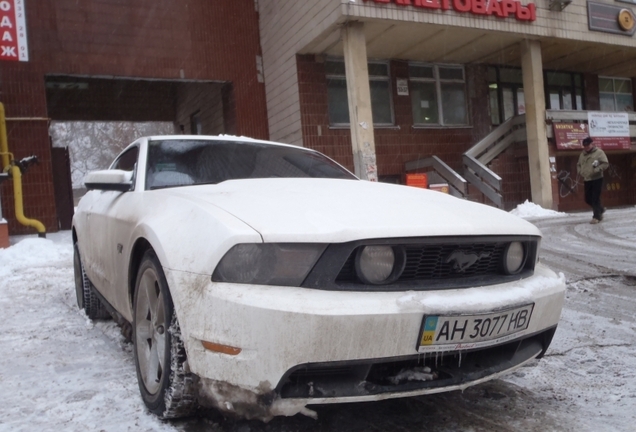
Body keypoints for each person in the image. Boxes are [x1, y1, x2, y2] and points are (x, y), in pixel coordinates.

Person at [576, 137, 609, 224]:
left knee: (595, 198)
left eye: (588, 145)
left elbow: (605, 163)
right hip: (587, 179)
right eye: (585, 146)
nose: (586, 147)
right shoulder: (582, 154)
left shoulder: (599, 152)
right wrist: (580, 171)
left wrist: (597, 170)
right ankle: (600, 209)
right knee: (587, 199)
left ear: (592, 144)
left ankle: (596, 217)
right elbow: (578, 164)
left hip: (597, 178)